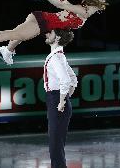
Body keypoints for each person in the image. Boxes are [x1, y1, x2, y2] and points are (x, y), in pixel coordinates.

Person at [0, 0, 112, 65]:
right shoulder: (83, 12)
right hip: (43, 22)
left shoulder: (80, 9)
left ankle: (7, 50)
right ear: (95, 2)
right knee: (16, 34)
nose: (103, 3)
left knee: (18, 35)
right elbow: (61, 4)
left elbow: (63, 3)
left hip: (41, 19)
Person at [44, 29, 77, 168]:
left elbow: (65, 80)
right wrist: (65, 98)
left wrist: (62, 100)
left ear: (57, 37)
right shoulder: (58, 56)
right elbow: (73, 80)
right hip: (57, 99)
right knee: (56, 145)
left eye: (49, 33)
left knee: (55, 146)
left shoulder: (56, 58)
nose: (46, 34)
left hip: (57, 100)